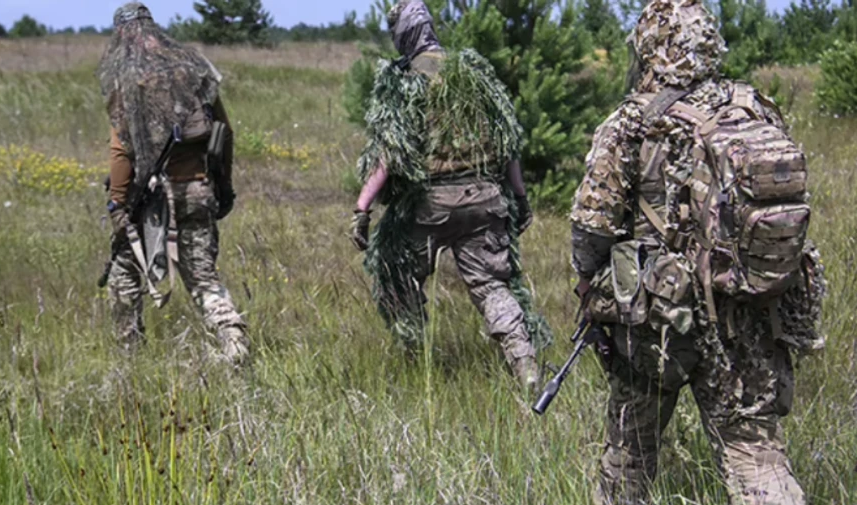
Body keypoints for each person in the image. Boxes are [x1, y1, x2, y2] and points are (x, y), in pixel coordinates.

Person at [570, 0, 826, 503]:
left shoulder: (630, 122)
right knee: (755, 453)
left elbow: (590, 229)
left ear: (648, 47)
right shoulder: (752, 106)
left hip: (656, 320)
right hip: (745, 309)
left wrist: (590, 289)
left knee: (630, 450)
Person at [350, 0, 551, 388]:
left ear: (403, 34)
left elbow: (389, 154)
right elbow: (508, 140)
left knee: (394, 271)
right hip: (486, 198)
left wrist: (362, 208)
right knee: (493, 286)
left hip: (432, 204)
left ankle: (416, 355)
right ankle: (525, 363)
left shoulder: (407, 78)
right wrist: (521, 198)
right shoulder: (472, 73)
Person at [97, 2, 248, 364]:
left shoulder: (126, 76)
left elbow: (121, 151)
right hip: (198, 187)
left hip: (147, 202)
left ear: (121, 32)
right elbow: (223, 132)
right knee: (203, 279)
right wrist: (222, 186)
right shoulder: (191, 66)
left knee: (124, 277)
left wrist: (118, 205)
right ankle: (234, 341)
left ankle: (129, 360)